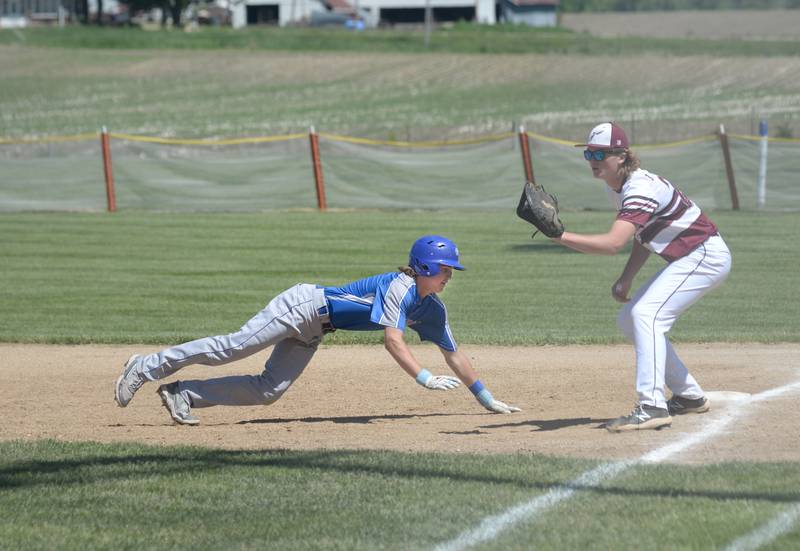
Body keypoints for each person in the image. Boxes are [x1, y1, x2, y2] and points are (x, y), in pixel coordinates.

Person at [114, 235, 520, 425]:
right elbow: (392, 341)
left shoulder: (432, 309)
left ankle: (184, 394)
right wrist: (424, 378)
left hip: (316, 329)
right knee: (233, 347)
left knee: (269, 390)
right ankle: (146, 366)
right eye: (446, 269)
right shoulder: (399, 286)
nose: (450, 276)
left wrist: (485, 397)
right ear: (427, 267)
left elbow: (455, 353)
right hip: (303, 307)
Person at [551, 122, 732, 432]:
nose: (593, 160)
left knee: (646, 315)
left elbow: (612, 244)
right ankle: (689, 396)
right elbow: (642, 235)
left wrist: (558, 235)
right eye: (589, 153)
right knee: (629, 319)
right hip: (692, 256)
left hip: (704, 256)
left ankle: (652, 405)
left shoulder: (639, 188)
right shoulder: (616, 187)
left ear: (621, 155)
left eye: (601, 154)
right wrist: (626, 278)